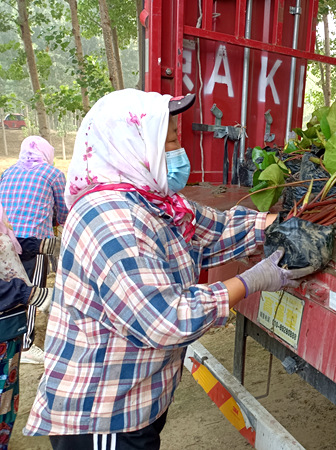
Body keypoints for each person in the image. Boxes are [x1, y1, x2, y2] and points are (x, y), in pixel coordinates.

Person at [23, 89, 314, 449]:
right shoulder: (113, 218)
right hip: (104, 412)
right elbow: (167, 320)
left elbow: (216, 231)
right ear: (131, 145)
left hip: (137, 400)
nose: (179, 153)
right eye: (169, 141)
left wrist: (277, 224)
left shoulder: (154, 202)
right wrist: (250, 281)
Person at [0, 135, 68, 363]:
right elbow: (64, 211)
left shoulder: (8, 172)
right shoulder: (53, 174)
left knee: (13, 282)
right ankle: (27, 345)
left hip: (7, 240)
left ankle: (17, 335)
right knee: (33, 289)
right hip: (35, 241)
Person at [0, 203, 53, 450]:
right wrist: (31, 294)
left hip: (9, 327)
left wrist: (38, 245)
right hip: (3, 325)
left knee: (7, 394)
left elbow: (7, 245)